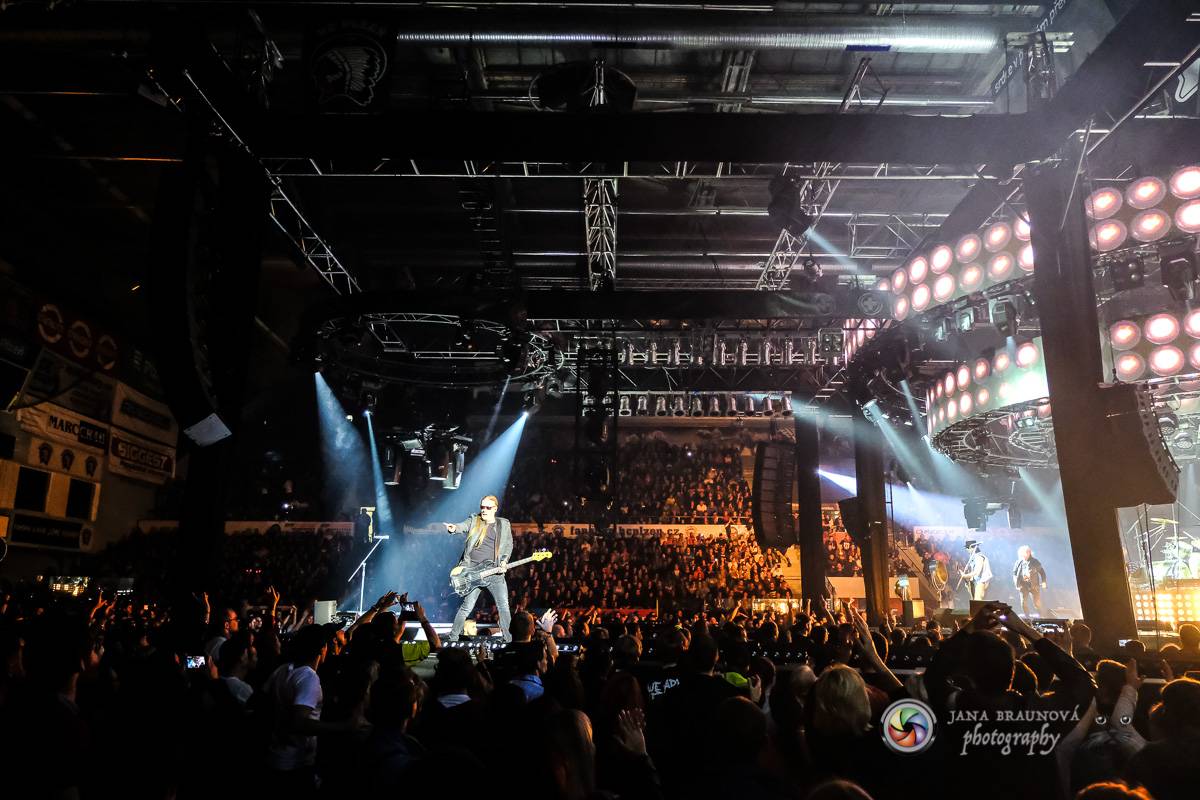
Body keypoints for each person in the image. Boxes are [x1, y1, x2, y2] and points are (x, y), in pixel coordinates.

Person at [445, 495, 514, 642]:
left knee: (503, 606)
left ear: (495, 508)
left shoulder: (503, 524)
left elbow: (508, 545)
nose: (484, 510)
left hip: (494, 572)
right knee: (466, 607)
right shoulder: (474, 521)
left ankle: (509, 640)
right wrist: (454, 528)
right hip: (473, 573)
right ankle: (452, 638)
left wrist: (504, 561)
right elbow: (462, 526)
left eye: (488, 507)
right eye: (482, 507)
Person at [1013, 545, 1048, 616]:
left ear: (1028, 552)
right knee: (1023, 603)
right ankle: (1027, 617)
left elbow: (1042, 572)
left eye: (1023, 553)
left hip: (1034, 585)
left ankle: (1042, 616)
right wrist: (1016, 584)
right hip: (1023, 585)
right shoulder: (1018, 562)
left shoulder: (1035, 562)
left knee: (1037, 604)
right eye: (1021, 553)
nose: (1021, 555)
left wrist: (1044, 582)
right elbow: (1014, 574)